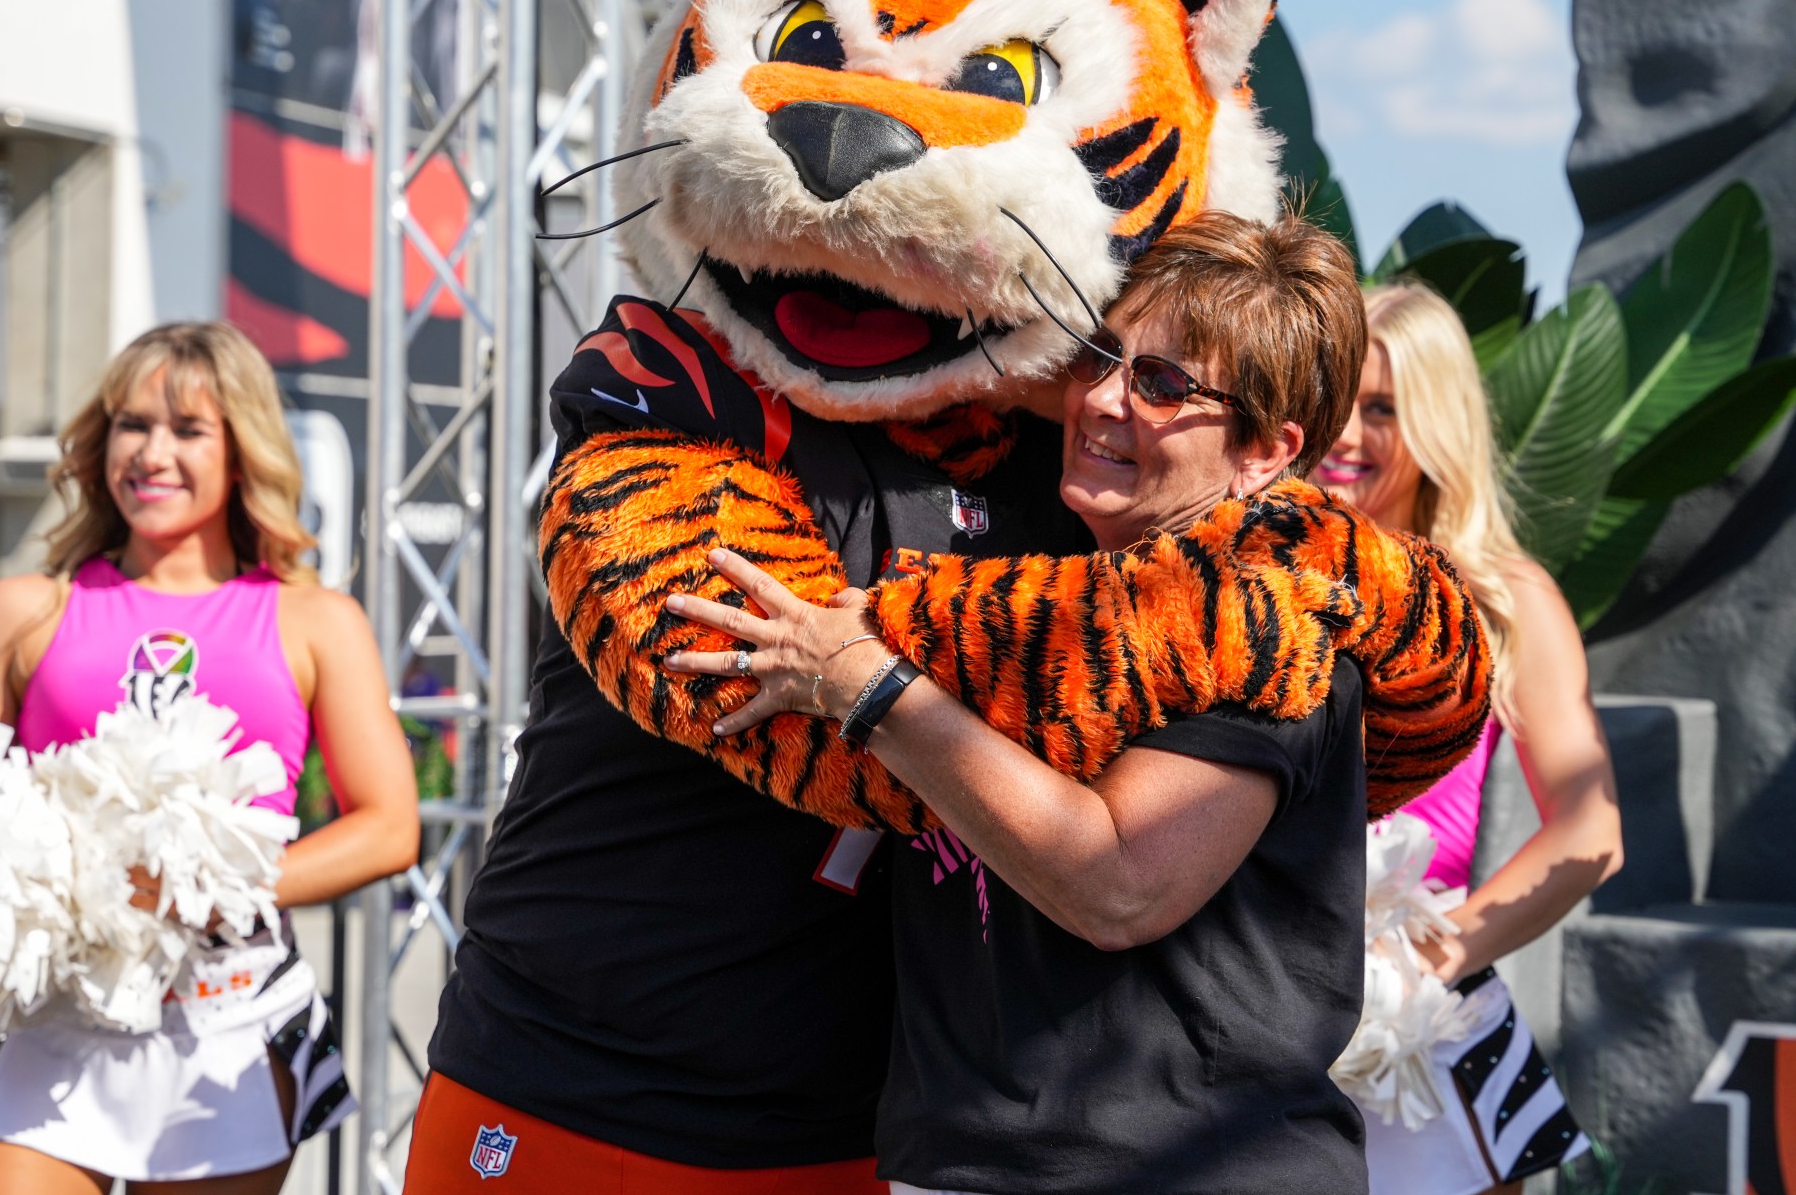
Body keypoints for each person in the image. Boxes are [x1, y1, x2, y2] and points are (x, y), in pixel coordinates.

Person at [668, 214, 1383, 1194]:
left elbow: (1119, 886)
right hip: (963, 1164)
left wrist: (868, 685)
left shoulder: (1267, 627)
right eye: (1098, 357)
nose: (1101, 401)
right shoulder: (1029, 598)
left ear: (1264, 452)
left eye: (1163, 385)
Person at [0, 322, 419, 1195]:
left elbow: (389, 827)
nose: (152, 453)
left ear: (242, 452)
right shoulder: (18, 610)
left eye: (188, 430)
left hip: (225, 1020)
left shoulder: (316, 621)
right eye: (131, 424)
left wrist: (210, 880)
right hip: (50, 1018)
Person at [1314, 283, 1620, 1191]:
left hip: (1420, 1032)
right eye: (1331, 402)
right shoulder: (1233, 571)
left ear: (1439, 421)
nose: (1346, 435)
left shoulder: (1505, 597)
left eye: (1382, 410)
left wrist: (1415, 965)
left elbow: (1590, 830)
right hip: (1247, 1010)